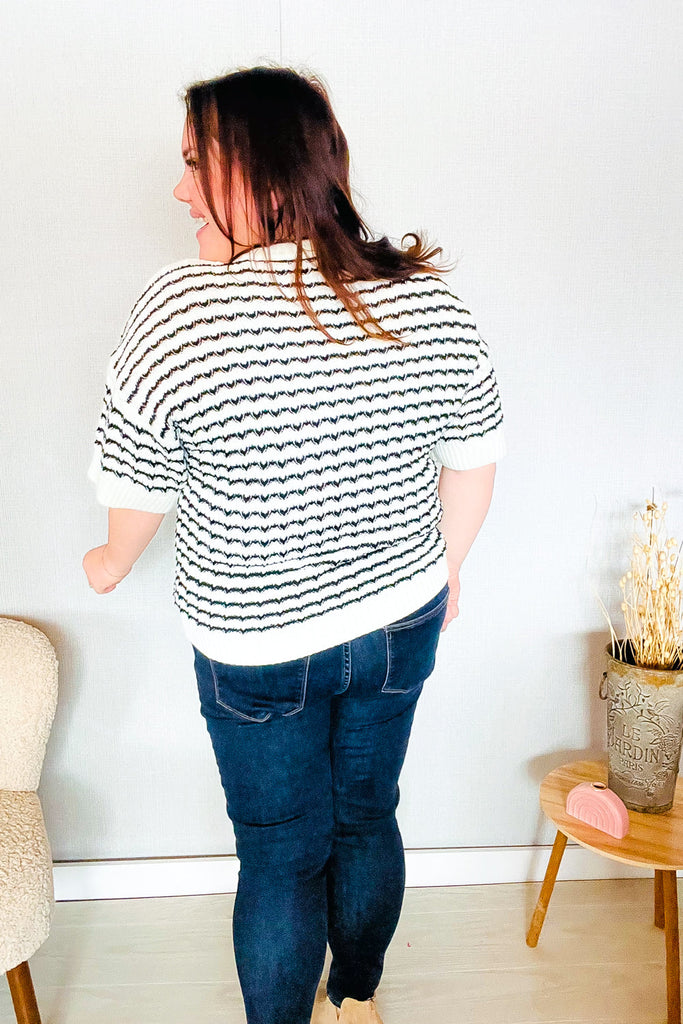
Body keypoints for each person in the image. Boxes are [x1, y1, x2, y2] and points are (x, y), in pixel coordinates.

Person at [83, 66, 505, 1024]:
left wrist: (108, 562)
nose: (180, 191)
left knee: (280, 853)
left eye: (195, 165)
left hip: (256, 647)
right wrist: (447, 571)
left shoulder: (182, 308)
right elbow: (474, 461)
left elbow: (136, 489)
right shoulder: (422, 300)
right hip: (399, 621)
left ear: (266, 169)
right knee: (366, 816)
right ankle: (355, 999)